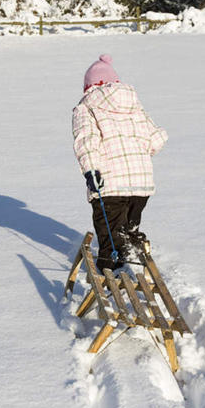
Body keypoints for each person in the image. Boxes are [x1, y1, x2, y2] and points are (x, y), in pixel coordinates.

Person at [72, 54, 168, 272]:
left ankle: (111, 273)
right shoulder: (133, 105)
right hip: (141, 183)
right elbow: (157, 138)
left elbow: (87, 141)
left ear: (88, 86)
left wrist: (91, 170)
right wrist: (138, 155)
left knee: (111, 235)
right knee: (128, 227)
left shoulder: (86, 108)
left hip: (109, 185)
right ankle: (133, 250)